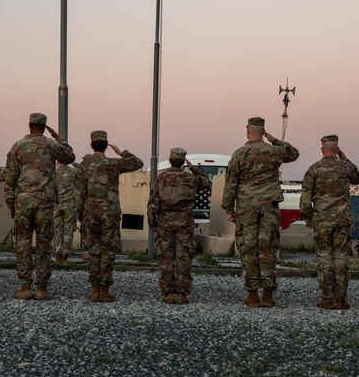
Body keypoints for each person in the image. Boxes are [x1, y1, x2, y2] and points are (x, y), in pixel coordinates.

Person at [221, 117, 299, 308]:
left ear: (247, 130)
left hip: (247, 208)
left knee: (249, 249)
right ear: (263, 132)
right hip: (269, 207)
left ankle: (253, 294)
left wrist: (229, 209)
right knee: (268, 248)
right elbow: (294, 154)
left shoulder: (240, 154)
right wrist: (274, 140)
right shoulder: (274, 151)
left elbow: (231, 184)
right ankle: (268, 296)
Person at [4, 112, 75, 300]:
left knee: (23, 243)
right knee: (44, 245)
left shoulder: (18, 145)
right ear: (44, 127)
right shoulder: (50, 144)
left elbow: (10, 176)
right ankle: (42, 288)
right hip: (44, 202)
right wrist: (58, 137)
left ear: (29, 125)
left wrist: (10, 202)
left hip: (23, 202)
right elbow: (69, 156)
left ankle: (25, 287)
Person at [75, 130, 143, 302]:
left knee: (93, 250)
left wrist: (78, 213)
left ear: (92, 145)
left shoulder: (85, 165)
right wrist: (121, 152)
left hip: (90, 211)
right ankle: (104, 290)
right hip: (110, 212)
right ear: (106, 146)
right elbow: (137, 162)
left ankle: (94, 290)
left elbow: (79, 191)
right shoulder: (113, 163)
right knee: (107, 250)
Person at [299, 134, 359, 310]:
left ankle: (327, 297)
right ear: (337, 150)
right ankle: (341, 299)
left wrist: (307, 217)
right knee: (341, 257)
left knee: (325, 257)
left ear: (322, 150)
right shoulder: (344, 167)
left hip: (322, 220)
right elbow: (358, 179)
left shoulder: (314, 169)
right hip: (342, 220)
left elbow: (305, 198)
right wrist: (345, 158)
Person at [147, 147, 210, 304]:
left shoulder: (161, 178)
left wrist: (152, 223)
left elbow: (153, 202)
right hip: (185, 224)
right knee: (184, 258)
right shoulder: (190, 179)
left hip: (165, 223)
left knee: (166, 259)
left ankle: (168, 293)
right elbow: (206, 182)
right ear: (183, 162)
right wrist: (194, 169)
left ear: (170, 160)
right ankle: (182, 293)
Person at [53, 160, 80, 264]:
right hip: (69, 205)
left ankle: (57, 256)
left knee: (57, 230)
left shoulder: (53, 172)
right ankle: (65, 257)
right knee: (68, 231)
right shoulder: (73, 172)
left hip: (56, 205)